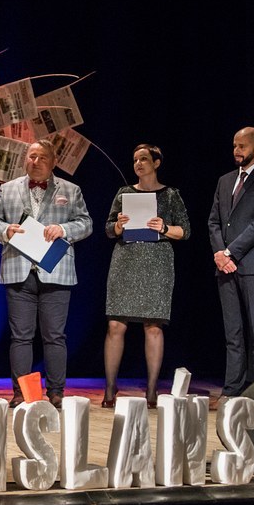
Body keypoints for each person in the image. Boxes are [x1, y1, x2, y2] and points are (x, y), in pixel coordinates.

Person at [0, 139, 92, 408]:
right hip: (19, 270)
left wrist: (64, 230)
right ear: (25, 159)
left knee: (54, 336)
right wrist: (5, 230)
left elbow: (86, 223)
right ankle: (21, 392)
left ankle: (55, 392)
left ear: (53, 162)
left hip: (55, 270)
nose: (36, 161)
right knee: (20, 336)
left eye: (43, 157)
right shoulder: (8, 189)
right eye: (32, 156)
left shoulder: (71, 190)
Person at [102, 144, 190, 408]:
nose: (138, 164)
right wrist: (118, 226)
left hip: (156, 264)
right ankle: (110, 388)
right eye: (135, 160)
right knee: (115, 325)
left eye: (144, 159)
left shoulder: (171, 195)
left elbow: (185, 231)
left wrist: (164, 227)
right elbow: (108, 229)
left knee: (153, 327)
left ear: (156, 163)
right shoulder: (124, 193)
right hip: (126, 260)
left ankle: (151, 389)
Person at [208, 126, 254, 399]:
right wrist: (220, 253)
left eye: (242, 146)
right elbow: (214, 222)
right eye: (234, 146)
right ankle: (232, 389)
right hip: (224, 267)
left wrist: (230, 253)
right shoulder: (225, 180)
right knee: (233, 332)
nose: (236, 151)